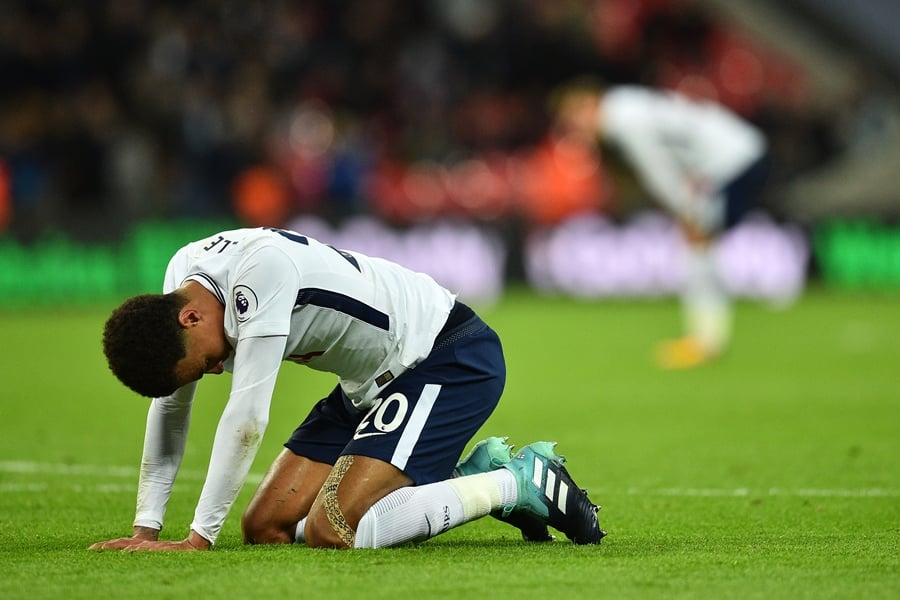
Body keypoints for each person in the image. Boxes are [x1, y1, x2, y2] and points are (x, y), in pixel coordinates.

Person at [89, 226, 604, 551]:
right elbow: (169, 413)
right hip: (366, 385)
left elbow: (246, 418)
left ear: (191, 315)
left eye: (203, 364)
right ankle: (443, 482)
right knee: (263, 528)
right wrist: (146, 529)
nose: (215, 368)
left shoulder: (257, 274)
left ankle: (516, 483)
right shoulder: (182, 276)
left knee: (331, 527)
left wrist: (197, 539)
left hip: (443, 357)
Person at [555, 82, 771, 369]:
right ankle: (706, 339)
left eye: (576, 118)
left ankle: (704, 340)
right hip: (739, 152)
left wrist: (685, 208)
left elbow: (657, 169)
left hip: (732, 161)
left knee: (698, 244)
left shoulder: (624, 121)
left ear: (591, 103)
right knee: (701, 245)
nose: (579, 130)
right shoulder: (629, 104)